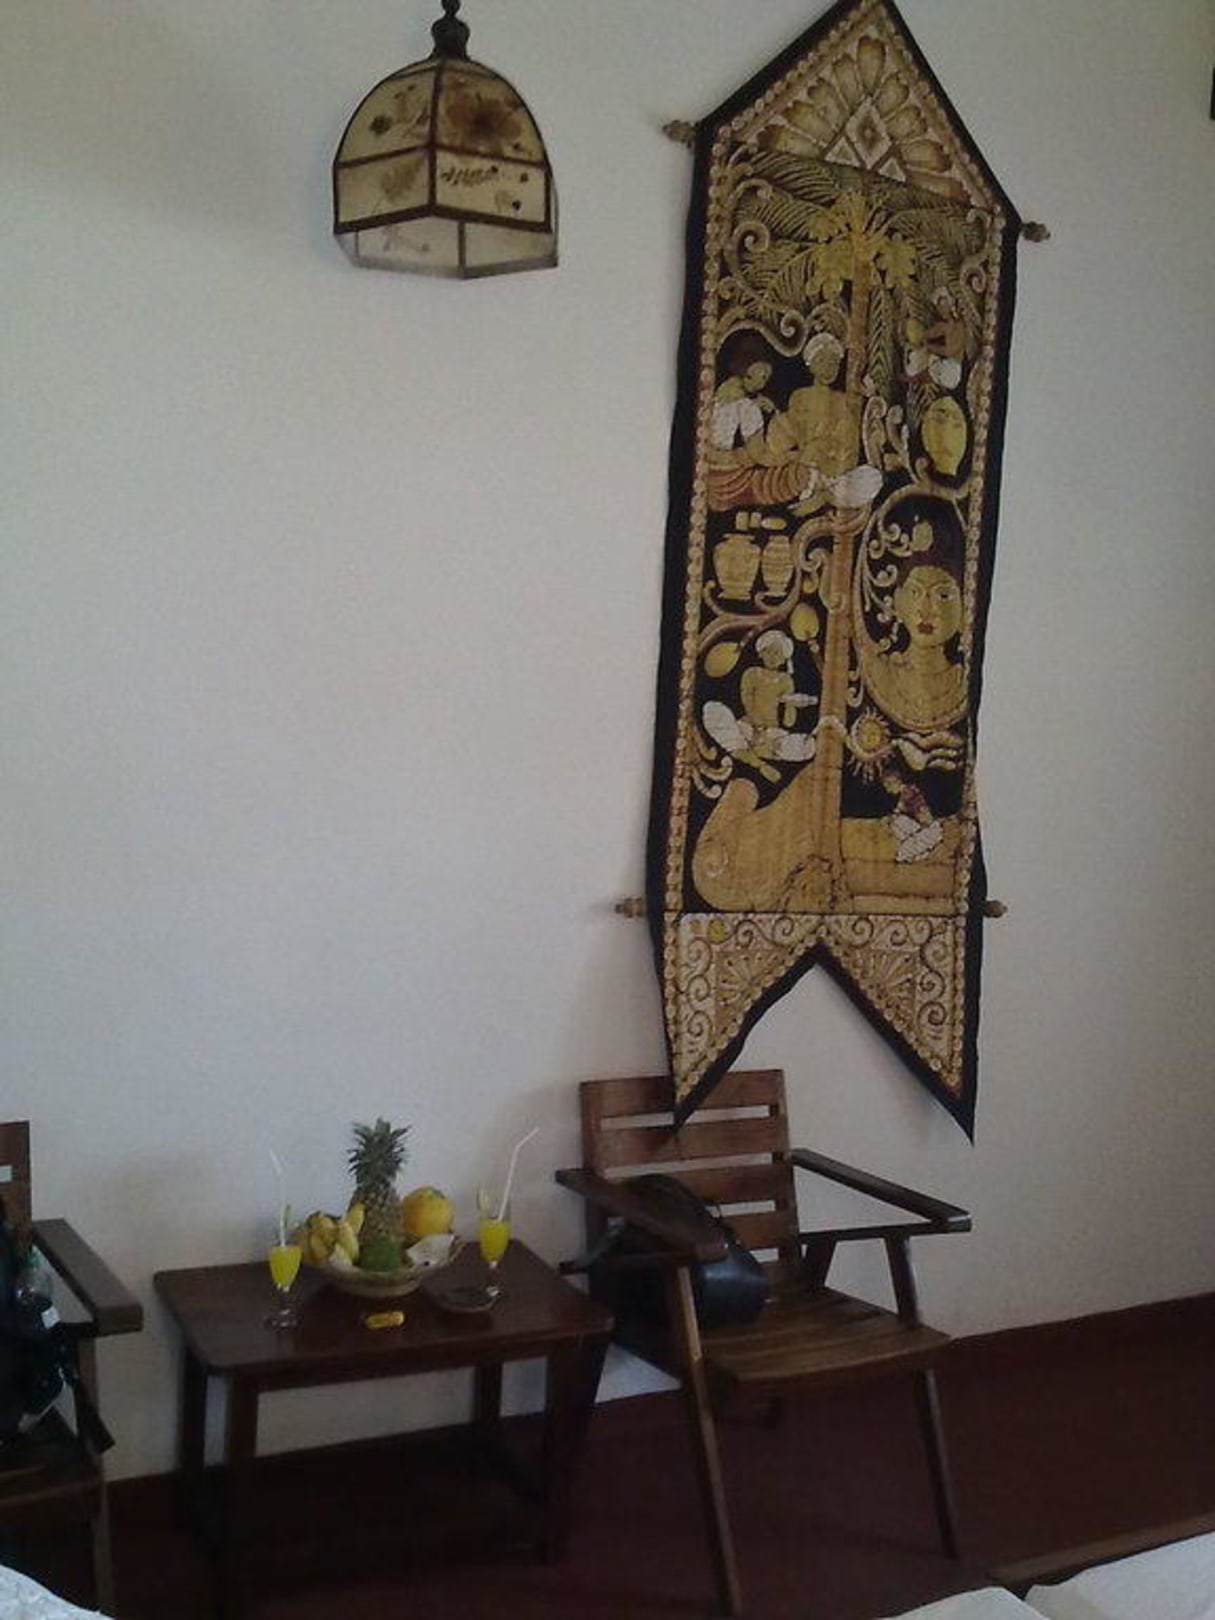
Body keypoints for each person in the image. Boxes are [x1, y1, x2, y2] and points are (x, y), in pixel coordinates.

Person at [703, 629, 815, 782]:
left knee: (806, 746)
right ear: (760, 653)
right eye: (768, 651)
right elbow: (747, 701)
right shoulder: (752, 674)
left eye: (777, 653)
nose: (772, 657)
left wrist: (791, 705)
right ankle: (760, 765)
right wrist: (758, 729)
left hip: (773, 733)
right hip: (749, 726)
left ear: (784, 659)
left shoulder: (786, 680)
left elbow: (789, 722)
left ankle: (755, 754)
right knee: (714, 712)